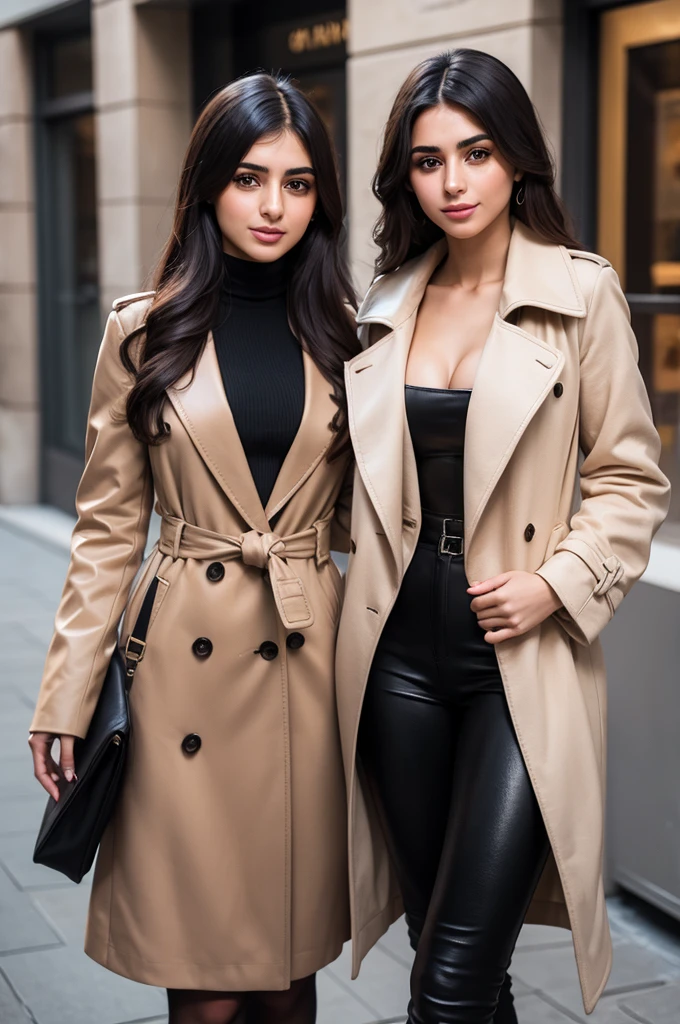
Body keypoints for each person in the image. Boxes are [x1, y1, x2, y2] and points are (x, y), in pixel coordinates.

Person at [335, 49, 671, 1023]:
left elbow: (627, 477)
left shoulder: (580, 293)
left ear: (514, 159)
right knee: (450, 949)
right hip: (393, 654)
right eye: (427, 160)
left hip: (518, 655)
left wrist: (557, 583)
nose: (451, 182)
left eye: (473, 154)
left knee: (442, 986)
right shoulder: (383, 305)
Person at [28, 72, 359, 1024]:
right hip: (183, 668)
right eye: (251, 178)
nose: (273, 206)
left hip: (304, 669)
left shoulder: (347, 337)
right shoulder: (146, 329)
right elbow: (105, 527)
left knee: (291, 978)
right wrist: (67, 693)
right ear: (209, 184)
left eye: (298, 184)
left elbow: (366, 521)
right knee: (207, 988)